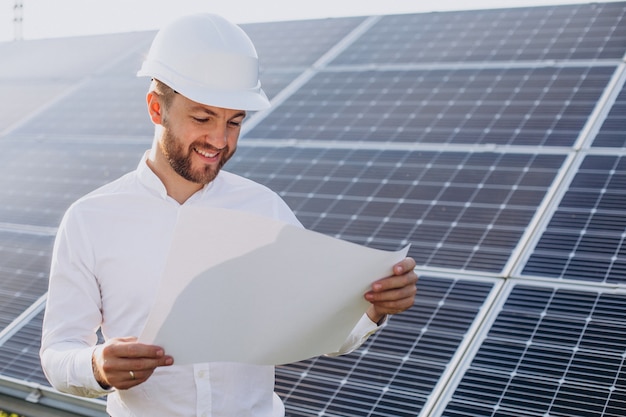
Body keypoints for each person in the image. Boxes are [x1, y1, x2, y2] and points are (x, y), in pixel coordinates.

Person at [40, 13, 418, 417]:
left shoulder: (265, 209)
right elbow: (58, 354)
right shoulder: (90, 220)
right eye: (202, 118)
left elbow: (322, 332)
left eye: (234, 122)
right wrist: (96, 365)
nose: (219, 141)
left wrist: (373, 308)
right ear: (156, 108)